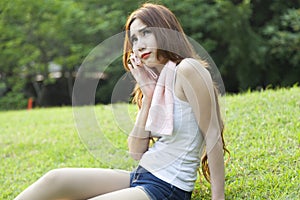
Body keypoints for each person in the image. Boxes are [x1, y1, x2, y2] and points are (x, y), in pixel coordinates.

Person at [15, 3, 229, 200]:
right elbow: (136, 151)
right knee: (55, 180)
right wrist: (148, 95)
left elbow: (212, 133)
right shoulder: (157, 84)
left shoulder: (188, 69)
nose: (139, 45)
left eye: (146, 33)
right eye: (134, 39)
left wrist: (217, 198)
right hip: (140, 175)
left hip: (166, 187)